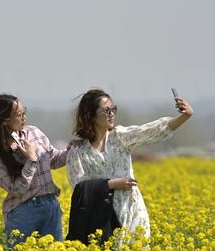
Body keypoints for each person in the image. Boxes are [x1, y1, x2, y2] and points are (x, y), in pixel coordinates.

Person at [66, 88, 193, 241]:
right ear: (90, 114)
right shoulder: (78, 151)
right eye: (106, 110)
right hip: (102, 217)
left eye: (113, 109)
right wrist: (110, 184)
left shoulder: (120, 137)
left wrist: (184, 117)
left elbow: (149, 131)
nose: (111, 114)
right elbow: (80, 187)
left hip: (132, 210)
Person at [0, 93, 69, 247]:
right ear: (5, 120)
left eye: (24, 111)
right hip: (23, 212)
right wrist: (31, 160)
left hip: (50, 206)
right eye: (19, 114)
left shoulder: (34, 133)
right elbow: (17, 190)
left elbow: (54, 159)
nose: (24, 117)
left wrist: (72, 150)